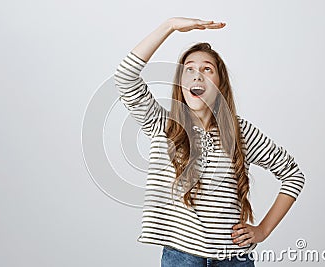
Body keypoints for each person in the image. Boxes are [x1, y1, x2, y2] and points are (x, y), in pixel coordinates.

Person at [114, 17, 305, 267]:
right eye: (189, 69)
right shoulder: (162, 124)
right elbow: (124, 77)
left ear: (219, 83)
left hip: (234, 258)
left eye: (207, 69)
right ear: (180, 83)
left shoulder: (240, 132)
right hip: (181, 257)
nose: (197, 76)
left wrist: (263, 230)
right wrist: (169, 26)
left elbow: (293, 174)